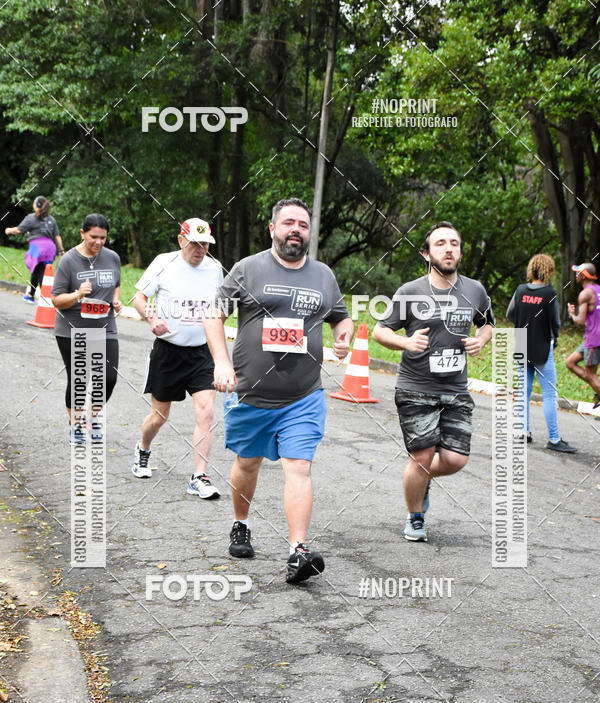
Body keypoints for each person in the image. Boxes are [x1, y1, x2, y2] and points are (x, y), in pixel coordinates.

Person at [203, 197, 353, 583]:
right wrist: (221, 362)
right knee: (247, 464)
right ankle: (241, 522)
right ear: (272, 228)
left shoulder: (323, 275)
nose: (295, 230)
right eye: (288, 223)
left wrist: (343, 338)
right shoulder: (248, 269)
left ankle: (297, 552)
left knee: (298, 468)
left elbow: (341, 318)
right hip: (250, 393)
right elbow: (213, 314)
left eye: (302, 225)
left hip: (303, 395)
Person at [373, 221, 494, 542]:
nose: (449, 248)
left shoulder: (475, 291)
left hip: (455, 388)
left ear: (461, 252)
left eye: (454, 243)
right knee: (423, 456)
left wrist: (481, 340)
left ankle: (420, 477)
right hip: (416, 387)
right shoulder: (411, 292)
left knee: (456, 459)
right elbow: (380, 331)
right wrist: (406, 343)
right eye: (440, 243)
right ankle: (415, 517)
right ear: (427, 253)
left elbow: (487, 324)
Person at [131, 218, 222, 499]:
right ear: (181, 240)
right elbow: (138, 298)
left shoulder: (215, 268)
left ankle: (199, 476)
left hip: (201, 352)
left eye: (205, 244)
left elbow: (221, 305)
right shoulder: (163, 262)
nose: (200, 249)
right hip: (168, 351)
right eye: (195, 243)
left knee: (206, 411)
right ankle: (143, 449)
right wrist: (152, 316)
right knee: (159, 416)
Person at [51, 213, 121, 444]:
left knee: (108, 378)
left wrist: (117, 301)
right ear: (82, 233)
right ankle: (76, 425)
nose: (98, 242)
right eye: (93, 237)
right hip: (72, 328)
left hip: (105, 326)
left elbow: (116, 284)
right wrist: (77, 294)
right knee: (79, 379)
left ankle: (91, 418)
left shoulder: (112, 258)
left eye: (103, 238)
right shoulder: (69, 261)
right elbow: (56, 299)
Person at [506, 254, 576, 453]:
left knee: (523, 392)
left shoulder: (520, 291)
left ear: (532, 269)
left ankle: (523, 433)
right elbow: (555, 322)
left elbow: (510, 314)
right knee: (549, 395)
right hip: (542, 347)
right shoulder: (549, 294)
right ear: (549, 270)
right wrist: (555, 337)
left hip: (521, 344)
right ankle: (554, 439)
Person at [5, 196, 64, 302]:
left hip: (37, 248)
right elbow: (57, 236)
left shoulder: (31, 217)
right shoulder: (51, 219)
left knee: (40, 272)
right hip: (50, 248)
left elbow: (18, 230)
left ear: (36, 205)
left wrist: (8, 230)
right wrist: (61, 250)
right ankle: (31, 295)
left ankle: (45, 299)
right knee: (37, 271)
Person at [566, 262, 600, 409]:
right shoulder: (598, 289)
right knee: (570, 362)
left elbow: (580, 321)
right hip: (592, 338)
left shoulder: (585, 293)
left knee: (591, 375)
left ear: (584, 275)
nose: (576, 274)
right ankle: (597, 391)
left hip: (594, 338)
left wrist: (572, 314)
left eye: (578, 272)